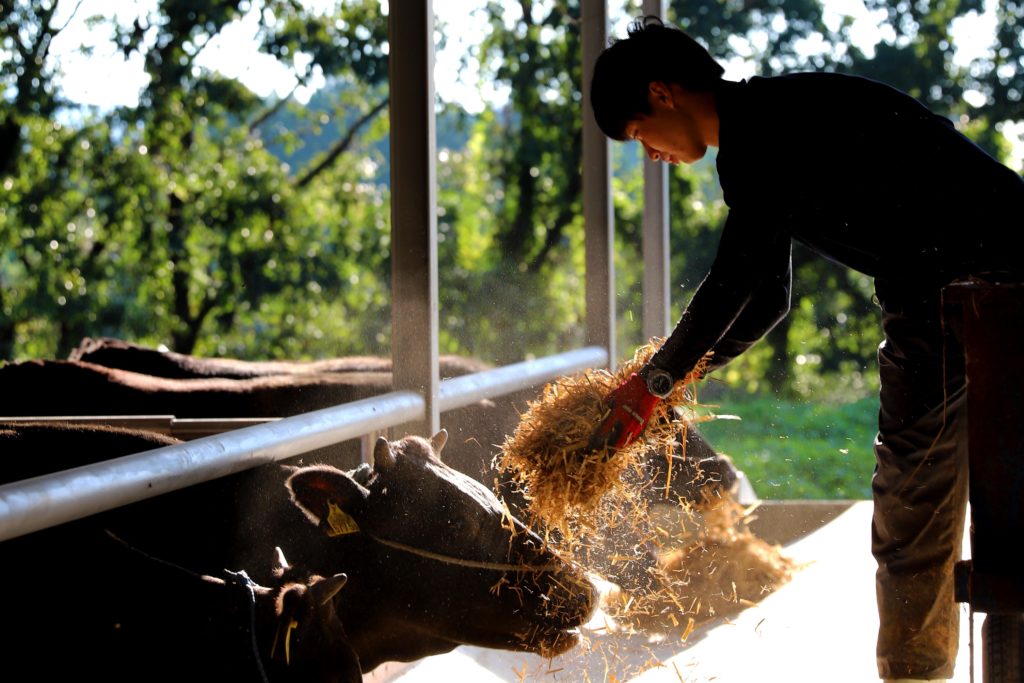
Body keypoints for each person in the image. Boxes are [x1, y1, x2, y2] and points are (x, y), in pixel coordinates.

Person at [587, 15, 1024, 683]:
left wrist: (656, 381)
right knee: (976, 501)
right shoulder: (773, 121)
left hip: (959, 294)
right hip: (981, 282)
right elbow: (766, 299)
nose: (649, 155)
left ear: (662, 92)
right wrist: (673, 383)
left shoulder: (760, 134)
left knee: (912, 511)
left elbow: (736, 275)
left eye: (640, 134)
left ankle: (915, 674)